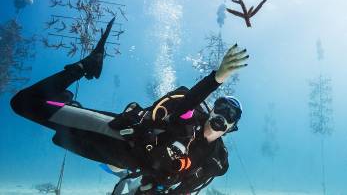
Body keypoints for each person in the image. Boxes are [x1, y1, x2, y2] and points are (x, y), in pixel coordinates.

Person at [10, 18, 249, 194]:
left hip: (132, 166)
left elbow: (185, 189)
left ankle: (120, 172)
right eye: (221, 108)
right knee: (24, 103)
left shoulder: (215, 159)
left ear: (231, 128)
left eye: (231, 116)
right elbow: (188, 103)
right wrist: (216, 79)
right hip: (118, 135)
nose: (223, 116)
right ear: (212, 109)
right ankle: (85, 66)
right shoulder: (191, 118)